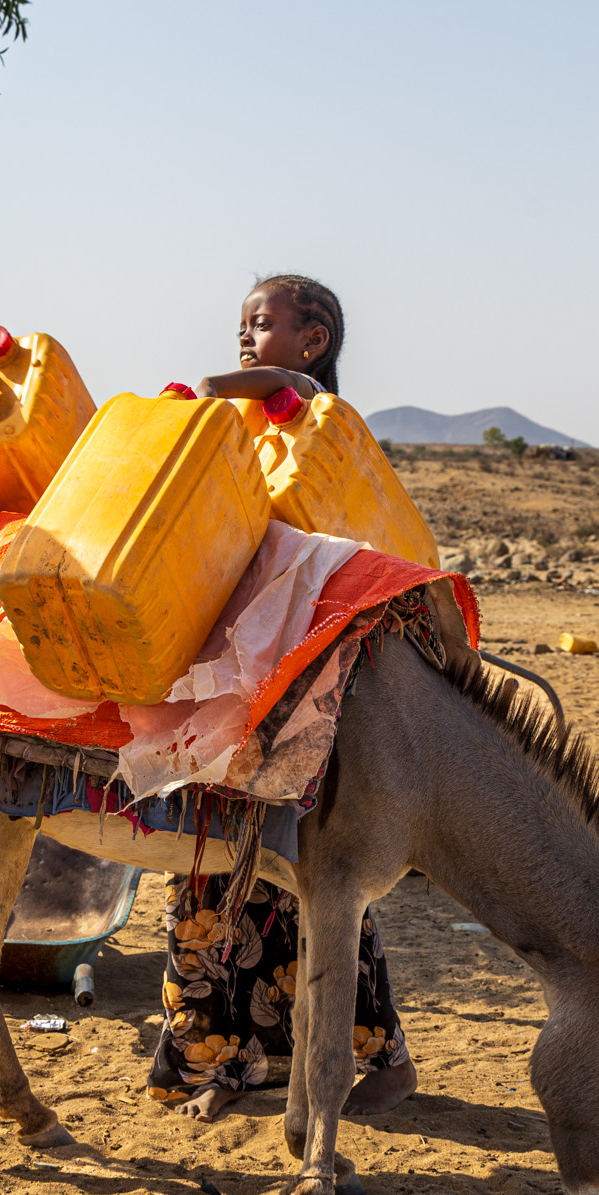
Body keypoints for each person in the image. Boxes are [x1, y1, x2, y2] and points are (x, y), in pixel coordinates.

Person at [148, 274, 417, 1122]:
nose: (247, 337)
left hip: (305, 689)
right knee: (222, 867)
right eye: (242, 323)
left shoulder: (312, 412)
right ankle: (223, 1067)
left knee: (312, 879)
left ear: (313, 343)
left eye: (263, 323)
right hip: (240, 680)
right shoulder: (250, 437)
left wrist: (195, 396)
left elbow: (263, 388)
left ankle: (381, 1063)